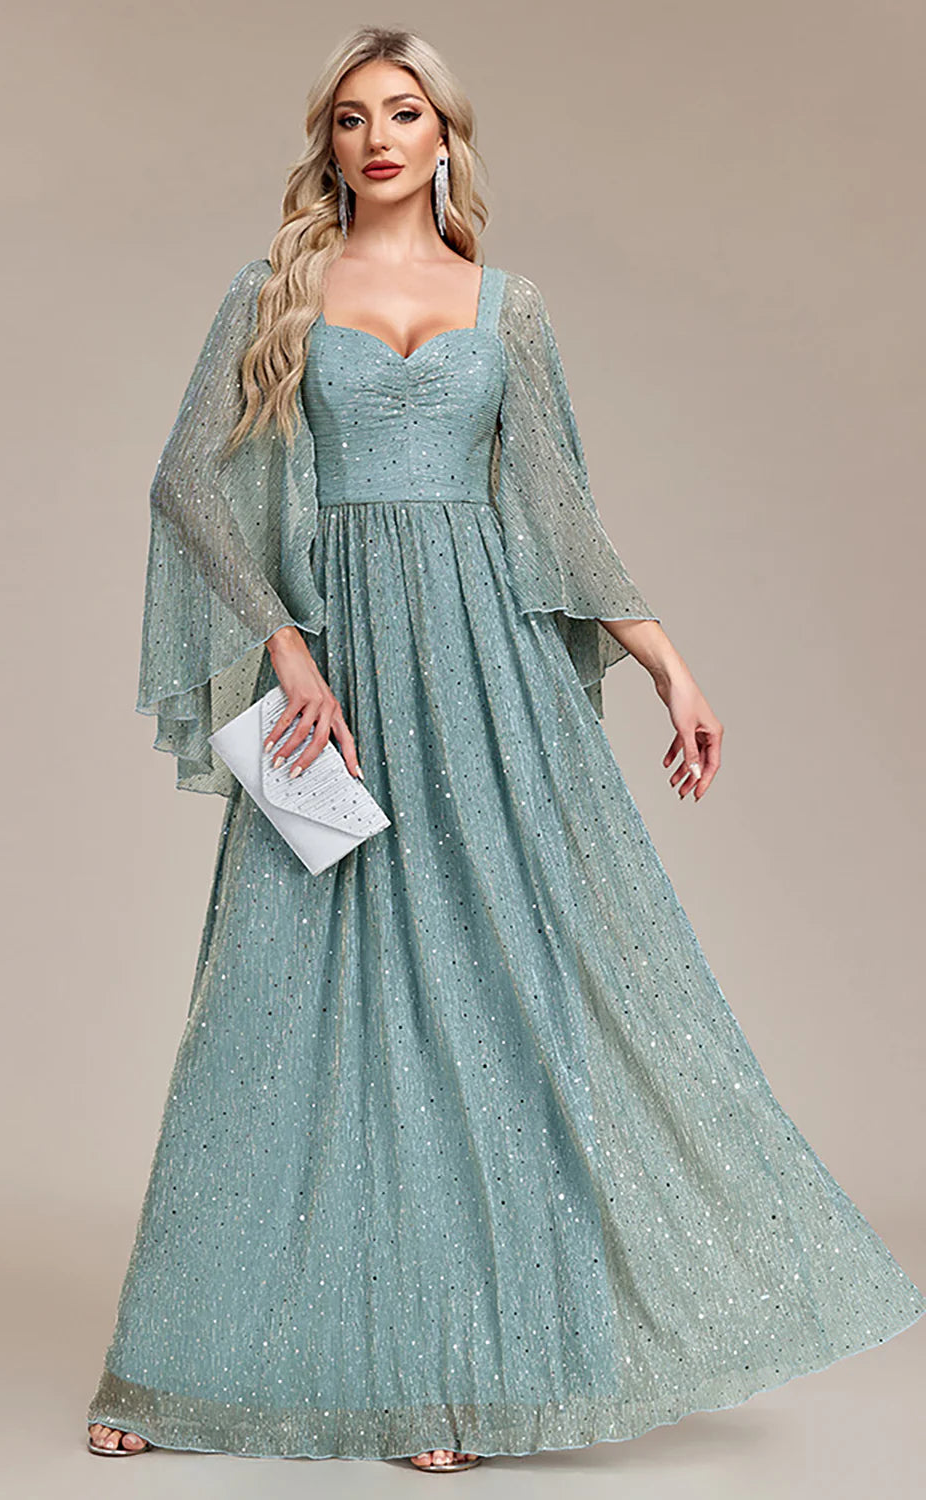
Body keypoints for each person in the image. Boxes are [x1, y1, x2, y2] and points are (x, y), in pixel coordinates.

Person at [86, 25, 925, 1474]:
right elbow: (189, 484)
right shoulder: (274, 292)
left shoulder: (509, 309)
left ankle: (471, 1380)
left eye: (405, 113)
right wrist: (288, 648)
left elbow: (556, 509)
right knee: (283, 1008)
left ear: (447, 137)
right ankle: (176, 1372)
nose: (378, 140)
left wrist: (668, 663)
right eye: (353, 118)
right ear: (328, 142)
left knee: (502, 1008)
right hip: (342, 678)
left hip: (490, 683)